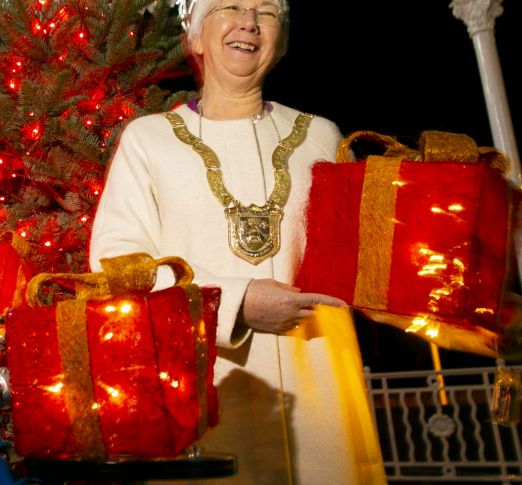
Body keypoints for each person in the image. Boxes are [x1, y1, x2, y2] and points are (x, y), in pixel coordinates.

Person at [88, 1, 385, 484]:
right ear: (196, 38)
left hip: (320, 380)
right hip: (207, 386)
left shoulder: (321, 135)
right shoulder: (148, 139)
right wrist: (236, 301)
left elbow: (361, 257)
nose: (249, 22)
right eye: (230, 7)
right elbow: (118, 262)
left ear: (280, 41)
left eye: (266, 13)